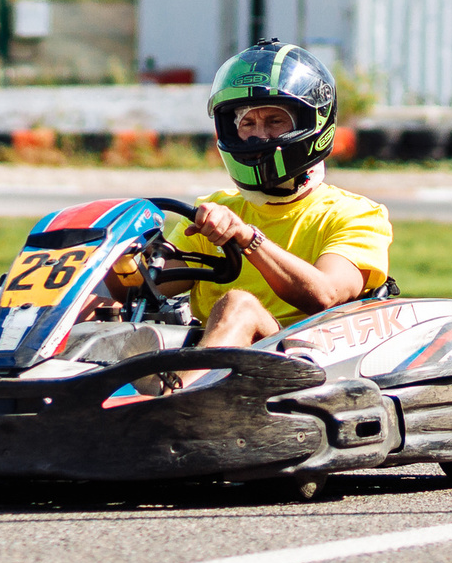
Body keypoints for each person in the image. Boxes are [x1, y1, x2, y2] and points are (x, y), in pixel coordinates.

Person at [167, 40, 391, 348]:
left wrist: (246, 239)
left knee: (239, 305)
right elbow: (140, 285)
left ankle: (182, 394)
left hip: (306, 366)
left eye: (274, 121)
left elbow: (325, 295)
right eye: (247, 123)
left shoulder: (356, 214)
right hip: (216, 359)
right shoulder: (214, 210)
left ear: (314, 123)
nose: (259, 135)